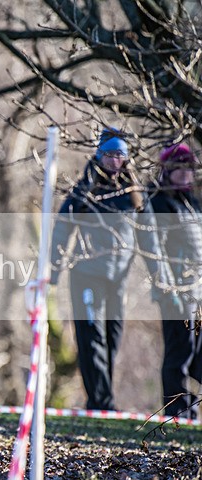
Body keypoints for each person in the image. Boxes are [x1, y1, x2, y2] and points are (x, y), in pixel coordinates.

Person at [49, 128, 167, 411]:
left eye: (120, 155)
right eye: (110, 154)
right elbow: (62, 229)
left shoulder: (134, 194)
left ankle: (100, 399)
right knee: (93, 337)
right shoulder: (85, 190)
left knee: (112, 337)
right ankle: (102, 402)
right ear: (99, 156)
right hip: (86, 275)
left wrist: (160, 279)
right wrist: (53, 271)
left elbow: (149, 238)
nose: (115, 161)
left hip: (119, 278)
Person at [150, 142, 202, 419]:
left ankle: (190, 408)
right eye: (178, 167)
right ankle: (177, 410)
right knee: (179, 352)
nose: (184, 173)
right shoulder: (160, 202)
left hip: (197, 290)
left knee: (196, 352)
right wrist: (169, 287)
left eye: (189, 167)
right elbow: (155, 249)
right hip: (176, 290)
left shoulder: (192, 202)